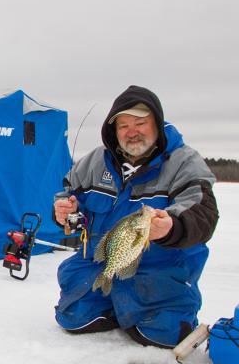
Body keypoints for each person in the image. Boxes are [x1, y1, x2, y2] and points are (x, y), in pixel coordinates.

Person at [53, 85, 218, 347]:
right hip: (101, 261)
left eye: (140, 123)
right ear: (113, 131)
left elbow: (203, 213)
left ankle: (149, 311)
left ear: (157, 123)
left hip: (160, 270)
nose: (132, 132)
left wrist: (171, 227)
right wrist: (65, 211)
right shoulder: (96, 161)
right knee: (73, 318)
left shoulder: (184, 162)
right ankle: (113, 304)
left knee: (164, 334)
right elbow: (68, 194)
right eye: (123, 126)